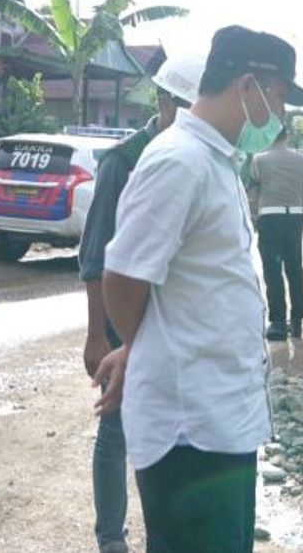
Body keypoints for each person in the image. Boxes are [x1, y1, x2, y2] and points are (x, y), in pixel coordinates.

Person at [93, 25, 303, 553]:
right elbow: (123, 277)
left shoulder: (217, 161)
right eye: (281, 97)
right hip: (191, 432)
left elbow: (184, 290)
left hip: (220, 423)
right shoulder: (179, 161)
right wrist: (141, 345)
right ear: (249, 86)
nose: (281, 114)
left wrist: (135, 345)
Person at [78, 53, 203, 553]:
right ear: (164, 101)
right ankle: (112, 539)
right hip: (124, 323)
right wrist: (96, 334)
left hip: (174, 322)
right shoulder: (124, 162)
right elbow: (94, 258)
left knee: (171, 432)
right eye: (185, 107)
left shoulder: (192, 158)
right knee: (117, 427)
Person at [250, 128, 303, 341]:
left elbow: (254, 189)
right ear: (287, 137)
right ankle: (297, 321)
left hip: (269, 217)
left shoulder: (259, 160)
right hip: (294, 218)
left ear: (269, 137)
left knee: (272, 270)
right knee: (295, 268)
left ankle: (277, 322)